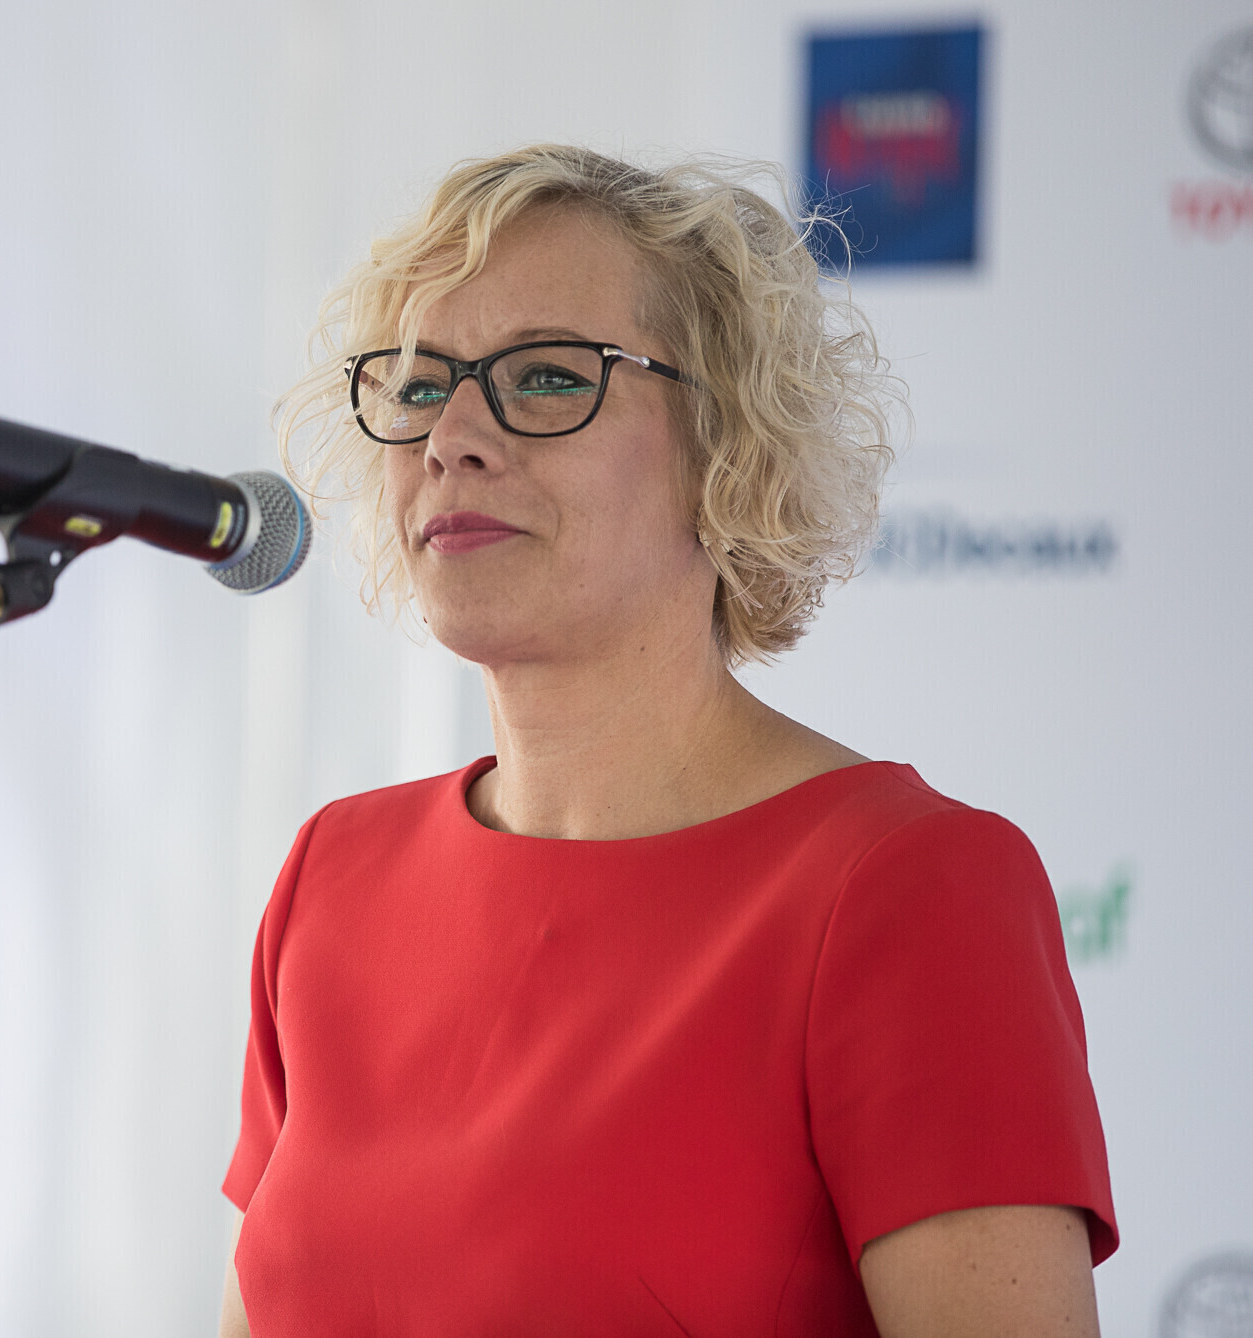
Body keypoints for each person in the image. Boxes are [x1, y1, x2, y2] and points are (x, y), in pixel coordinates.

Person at [217, 145, 1115, 1337]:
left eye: (545, 377)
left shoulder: (908, 888)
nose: (451, 437)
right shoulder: (332, 875)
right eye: (420, 387)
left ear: (725, 446)